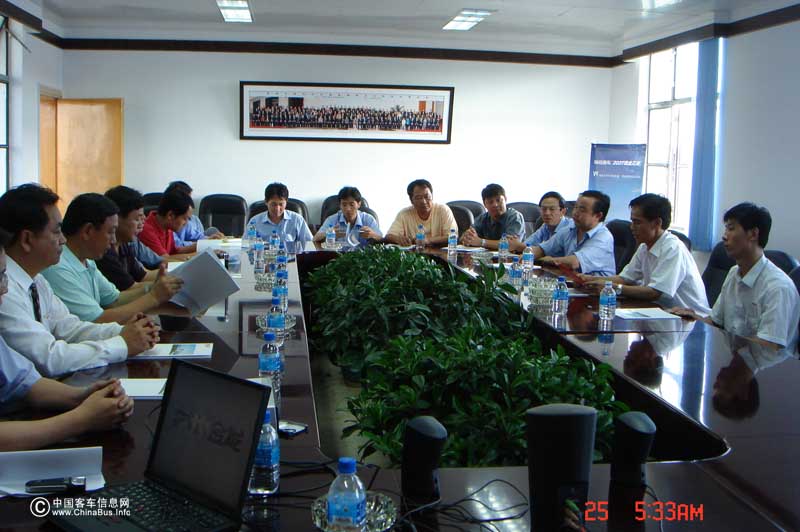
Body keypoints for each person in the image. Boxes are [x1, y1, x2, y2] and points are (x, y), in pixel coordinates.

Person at [0, 185, 158, 377]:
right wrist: (122, 344)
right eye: (56, 232)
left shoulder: (37, 280)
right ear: (27, 240)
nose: (63, 240)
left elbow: (70, 328)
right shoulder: (5, 291)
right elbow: (49, 359)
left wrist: (124, 331)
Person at [0, 229, 134, 450]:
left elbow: (25, 382)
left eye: (4, 276)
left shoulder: (38, 281)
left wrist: (84, 396)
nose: (5, 289)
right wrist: (82, 419)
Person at [671, 202, 800, 355]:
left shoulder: (778, 287)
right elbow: (716, 321)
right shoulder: (734, 273)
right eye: (726, 228)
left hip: (767, 367)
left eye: (731, 229)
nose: (724, 236)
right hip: (735, 359)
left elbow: (768, 346)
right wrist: (694, 317)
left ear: (753, 234)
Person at [42, 193, 184, 324]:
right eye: (110, 232)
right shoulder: (58, 268)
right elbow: (97, 320)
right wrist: (154, 296)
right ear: (88, 231)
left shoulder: (87, 260)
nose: (113, 240)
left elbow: (114, 300)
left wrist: (153, 288)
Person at [580, 193, 710, 313]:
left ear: (657, 223)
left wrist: (613, 288)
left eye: (637, 222)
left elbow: (654, 292)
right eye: (632, 221)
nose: (631, 227)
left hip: (690, 319)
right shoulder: (644, 246)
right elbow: (625, 279)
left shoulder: (673, 249)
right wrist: (589, 280)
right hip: (659, 312)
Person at [531, 190, 616, 276]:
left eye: (582, 210)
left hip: (597, 284)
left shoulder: (603, 238)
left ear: (598, 216)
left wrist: (548, 261)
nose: (575, 213)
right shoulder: (570, 229)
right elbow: (542, 250)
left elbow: (573, 263)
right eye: (575, 207)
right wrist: (527, 255)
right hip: (571, 282)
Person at [98, 186, 161, 290]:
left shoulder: (124, 244)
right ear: (116, 219)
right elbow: (131, 288)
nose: (142, 224)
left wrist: (176, 274)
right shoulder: (104, 252)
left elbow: (143, 276)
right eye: (137, 219)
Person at [385, 179, 457, 247]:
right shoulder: (404, 214)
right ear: (411, 200)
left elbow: (453, 236)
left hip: (441, 254)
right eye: (418, 198)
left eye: (427, 197)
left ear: (432, 196)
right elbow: (389, 236)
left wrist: (428, 240)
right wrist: (398, 239)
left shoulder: (443, 210)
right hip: (415, 254)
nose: (424, 201)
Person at [460, 183, 525, 249]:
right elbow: (465, 237)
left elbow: (510, 244)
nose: (495, 205)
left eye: (498, 200)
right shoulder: (482, 218)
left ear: (505, 199)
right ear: (485, 204)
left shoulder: (515, 217)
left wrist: (481, 242)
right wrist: (467, 238)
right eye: (490, 202)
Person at [246, 182, 313, 243]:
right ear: (266, 202)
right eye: (273, 204)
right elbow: (245, 245)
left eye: (281, 204)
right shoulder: (254, 222)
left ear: (286, 202)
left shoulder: (297, 220)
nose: (277, 209)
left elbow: (309, 244)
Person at [313, 186, 382, 245]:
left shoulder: (368, 219)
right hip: (338, 255)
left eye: (352, 204)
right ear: (340, 205)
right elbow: (315, 239)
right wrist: (329, 233)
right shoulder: (332, 219)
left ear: (359, 204)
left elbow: (382, 239)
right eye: (344, 204)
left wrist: (373, 235)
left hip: (362, 255)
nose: (348, 209)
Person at [139, 190, 198, 256]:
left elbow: (174, 252)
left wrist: (197, 247)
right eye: (185, 219)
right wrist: (193, 256)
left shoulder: (167, 227)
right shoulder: (146, 230)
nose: (186, 223)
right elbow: (165, 259)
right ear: (170, 215)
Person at [164, 180, 224, 245]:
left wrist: (209, 239)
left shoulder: (186, 221)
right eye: (187, 200)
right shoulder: (168, 222)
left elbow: (194, 235)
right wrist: (200, 244)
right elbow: (177, 245)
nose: (190, 203)